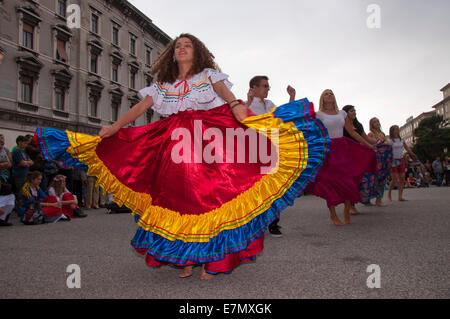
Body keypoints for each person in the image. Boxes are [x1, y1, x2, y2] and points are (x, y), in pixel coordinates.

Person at [33, 33, 329, 279]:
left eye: (187, 44)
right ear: (172, 55)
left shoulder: (209, 75)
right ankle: (188, 258)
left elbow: (225, 94)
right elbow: (139, 109)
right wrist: (115, 127)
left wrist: (238, 106)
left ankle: (212, 259)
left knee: (210, 197)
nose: (181, 48)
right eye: (177, 45)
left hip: (206, 139)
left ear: (196, 52)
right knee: (178, 199)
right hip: (172, 143)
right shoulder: (162, 86)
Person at [304, 90, 376, 225]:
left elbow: (352, 132)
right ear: (322, 98)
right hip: (328, 149)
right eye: (326, 94)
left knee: (348, 180)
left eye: (331, 93)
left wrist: (368, 145)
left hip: (343, 148)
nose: (329, 95)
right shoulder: (318, 115)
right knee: (329, 181)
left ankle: (347, 210)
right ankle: (333, 214)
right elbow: (311, 131)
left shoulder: (342, 114)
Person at [246, 76, 296, 237]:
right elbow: (237, 119)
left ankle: (273, 223)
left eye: (268, 86)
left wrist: (292, 98)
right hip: (252, 149)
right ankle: (252, 224)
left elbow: (283, 116)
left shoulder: (269, 104)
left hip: (271, 148)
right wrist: (247, 101)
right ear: (254, 88)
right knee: (253, 187)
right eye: (265, 86)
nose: (268, 89)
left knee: (273, 187)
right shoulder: (244, 104)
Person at [342, 105, 379, 213]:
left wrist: (379, 141)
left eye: (355, 111)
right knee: (350, 179)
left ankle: (353, 203)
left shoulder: (358, 125)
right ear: (345, 113)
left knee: (358, 179)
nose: (354, 112)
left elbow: (365, 138)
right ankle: (350, 206)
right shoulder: (343, 124)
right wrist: (370, 145)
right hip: (347, 154)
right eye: (351, 111)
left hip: (358, 154)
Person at [364, 117, 393, 207]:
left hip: (384, 159)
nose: (376, 123)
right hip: (376, 159)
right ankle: (367, 199)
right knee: (373, 179)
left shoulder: (382, 134)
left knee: (382, 178)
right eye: (374, 122)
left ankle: (379, 199)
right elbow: (370, 145)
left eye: (377, 121)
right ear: (371, 124)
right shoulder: (370, 134)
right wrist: (383, 143)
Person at [386, 125, 417, 201]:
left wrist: (412, 154)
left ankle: (400, 196)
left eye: (397, 129)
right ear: (392, 131)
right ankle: (389, 193)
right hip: (393, 160)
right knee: (394, 179)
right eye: (395, 130)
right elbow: (386, 150)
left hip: (401, 159)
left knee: (402, 178)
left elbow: (406, 148)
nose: (396, 131)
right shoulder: (390, 140)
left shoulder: (401, 139)